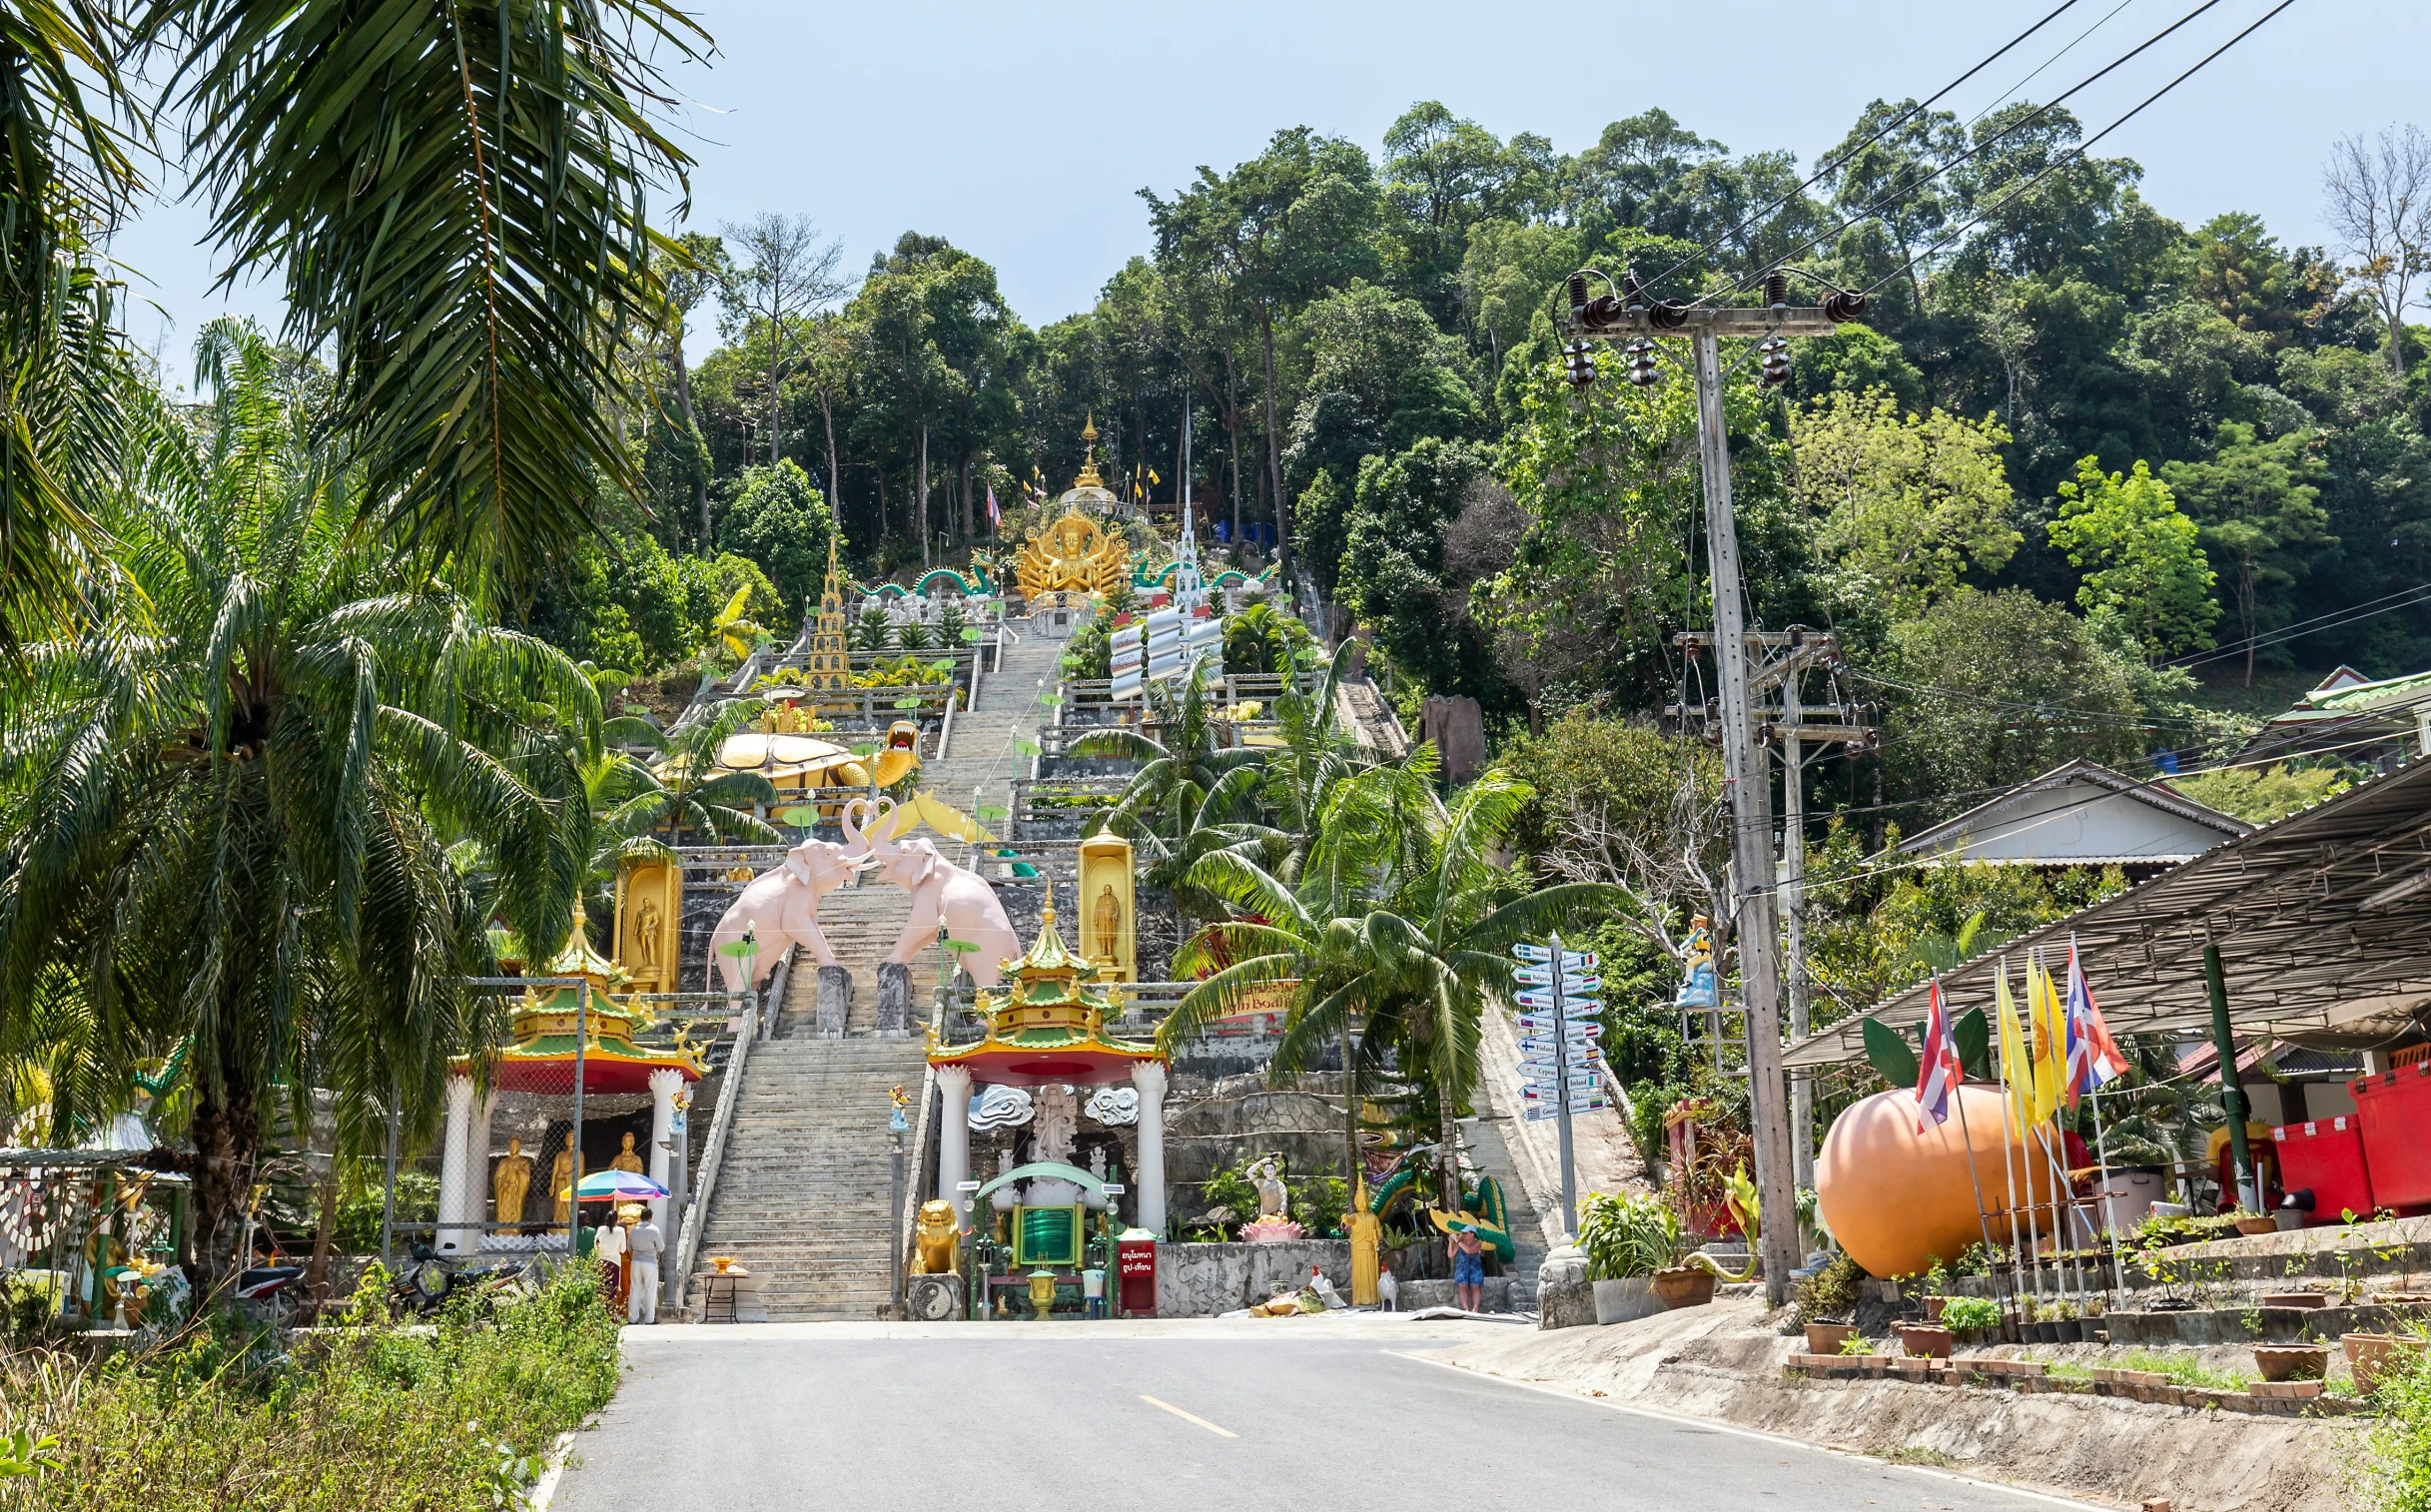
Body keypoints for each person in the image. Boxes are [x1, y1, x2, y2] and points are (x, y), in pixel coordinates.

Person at [624, 1207, 663, 1325]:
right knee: (650, 1290)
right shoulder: (654, 1230)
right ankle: (649, 1319)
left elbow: (629, 1248)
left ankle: (632, 1318)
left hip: (636, 1262)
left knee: (634, 1290)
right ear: (650, 1217)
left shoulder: (633, 1230)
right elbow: (661, 1248)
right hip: (650, 1262)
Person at [1448, 1221, 1485, 1313]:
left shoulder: (1478, 1243)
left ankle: (1475, 1308)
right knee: (1462, 1287)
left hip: (1474, 1267)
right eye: (1463, 1233)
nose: (1464, 1234)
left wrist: (1457, 1240)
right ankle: (1466, 1308)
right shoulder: (1460, 1242)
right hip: (1462, 1267)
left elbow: (1469, 1250)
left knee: (1475, 1287)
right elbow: (1451, 1254)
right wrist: (1450, 1243)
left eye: (1466, 1233)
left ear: (1472, 1233)